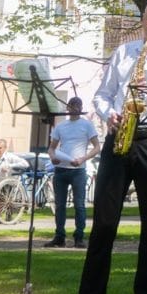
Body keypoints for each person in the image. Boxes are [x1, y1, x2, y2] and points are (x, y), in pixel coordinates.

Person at [68, 0, 147, 294]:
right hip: (119, 136)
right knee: (103, 224)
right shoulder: (125, 52)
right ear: (143, 20)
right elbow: (102, 94)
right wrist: (108, 113)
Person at [47, 96, 100, 248]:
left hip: (78, 170)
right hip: (61, 168)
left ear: (81, 107)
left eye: (77, 105)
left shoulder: (87, 125)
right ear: (68, 107)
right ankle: (59, 236)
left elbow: (97, 147)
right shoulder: (60, 126)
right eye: (72, 105)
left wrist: (83, 158)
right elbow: (52, 147)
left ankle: (79, 237)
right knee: (60, 205)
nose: (74, 108)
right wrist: (52, 157)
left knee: (79, 205)